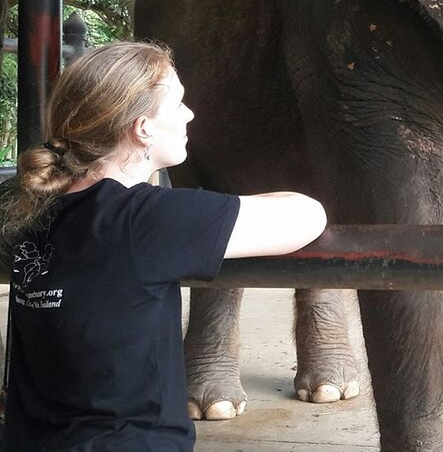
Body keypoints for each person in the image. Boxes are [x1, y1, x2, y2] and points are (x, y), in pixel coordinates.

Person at [0, 41, 327, 451]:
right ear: (143, 128)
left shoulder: (26, 205)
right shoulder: (148, 219)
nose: (190, 114)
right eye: (179, 104)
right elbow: (307, 215)